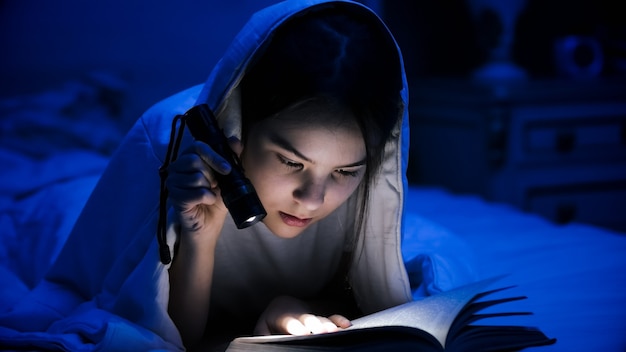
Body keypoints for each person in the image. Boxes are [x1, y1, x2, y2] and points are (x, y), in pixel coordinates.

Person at [0, 1, 416, 351]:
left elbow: (364, 290)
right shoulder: (165, 137)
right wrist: (198, 238)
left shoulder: (370, 186)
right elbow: (160, 334)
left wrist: (290, 304)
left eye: (345, 171)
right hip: (63, 201)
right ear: (237, 128)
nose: (312, 198)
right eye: (291, 162)